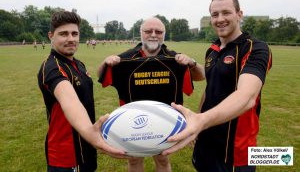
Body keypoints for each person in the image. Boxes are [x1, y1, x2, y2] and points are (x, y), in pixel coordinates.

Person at [162, 0, 272, 172]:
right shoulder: (212, 51)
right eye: (215, 15)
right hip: (206, 139)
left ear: (239, 14)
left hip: (236, 151)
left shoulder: (255, 48)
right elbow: (209, 88)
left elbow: (247, 96)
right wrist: (197, 120)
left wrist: (201, 121)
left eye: (226, 12)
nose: (220, 19)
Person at [98, 17, 205, 172]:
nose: (153, 34)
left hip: (165, 120)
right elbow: (102, 78)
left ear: (164, 34)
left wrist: (191, 62)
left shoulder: (174, 59)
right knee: (134, 161)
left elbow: (201, 76)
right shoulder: (125, 59)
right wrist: (105, 63)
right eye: (148, 31)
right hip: (132, 120)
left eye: (158, 31)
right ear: (141, 33)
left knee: (162, 160)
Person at [37, 11, 125, 172]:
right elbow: (70, 101)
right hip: (66, 154)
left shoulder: (78, 64)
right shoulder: (51, 67)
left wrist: (90, 136)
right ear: (51, 36)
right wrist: (92, 135)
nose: (70, 39)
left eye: (74, 33)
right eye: (63, 34)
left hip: (86, 144)